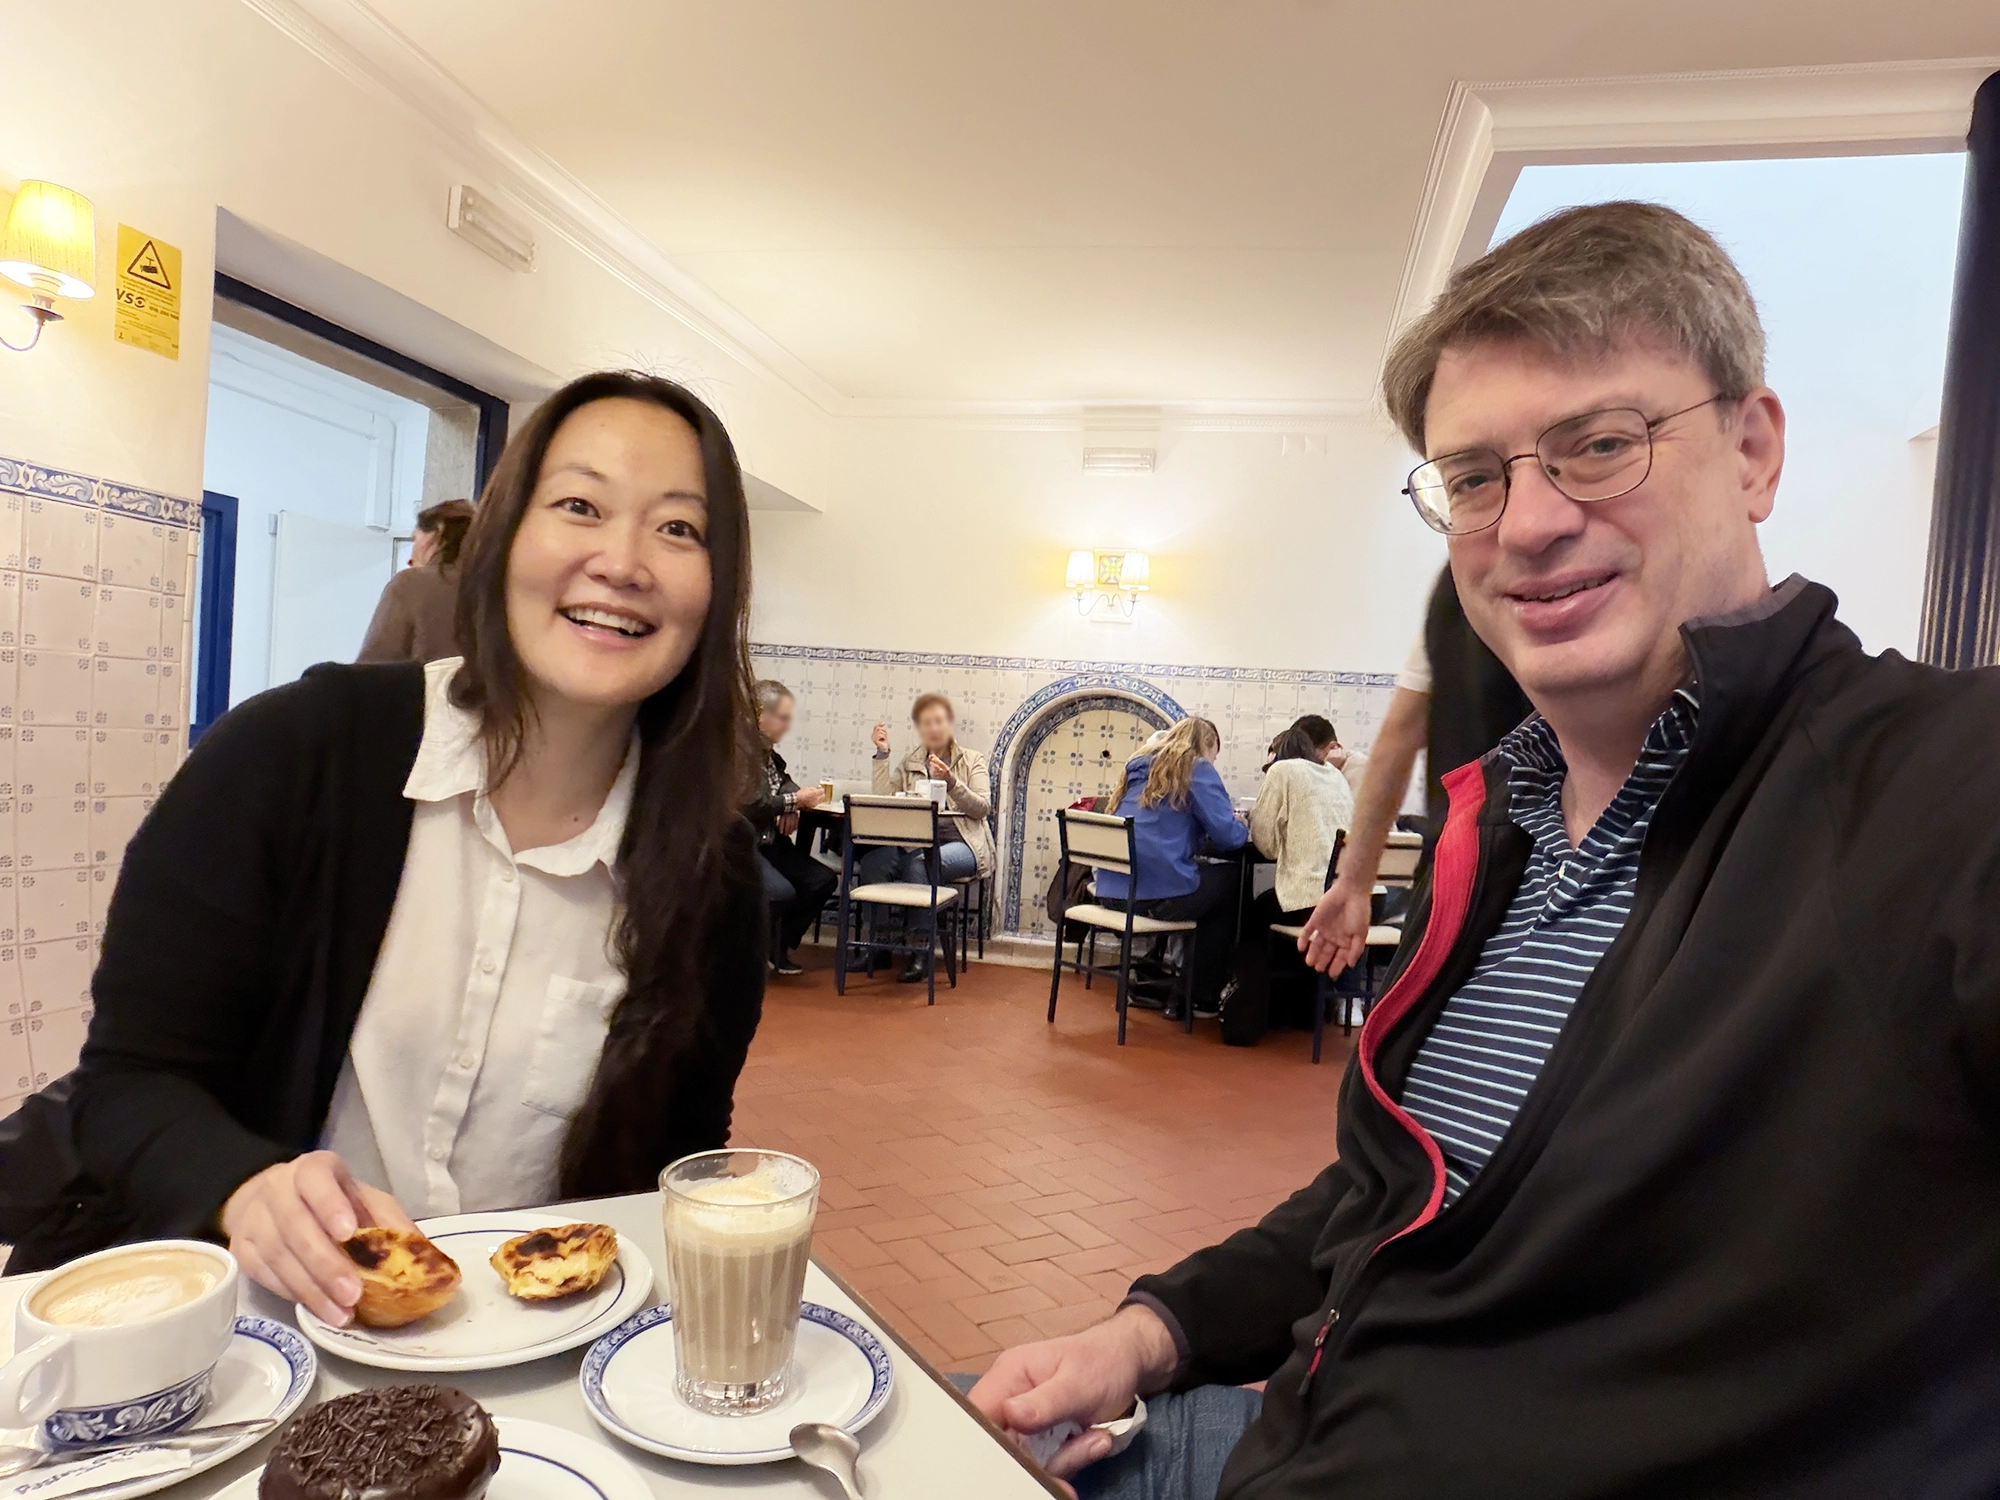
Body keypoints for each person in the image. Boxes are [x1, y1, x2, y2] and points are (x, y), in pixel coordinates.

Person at [970, 201, 2000, 1498]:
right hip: (1279, 1439)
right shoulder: (1504, 819)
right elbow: (1393, 1191)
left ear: (1752, 451)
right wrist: (1146, 1333)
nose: (1525, 524)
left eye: (1601, 446)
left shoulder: (1941, 786)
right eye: (1473, 477)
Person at [0, 372, 768, 1334]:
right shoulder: (294, 753)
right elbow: (129, 1084)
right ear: (501, 539)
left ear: (717, 589)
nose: (622, 561)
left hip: (520, 1374)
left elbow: (674, 1165)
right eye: (579, 505)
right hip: (238, 1341)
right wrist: (244, 1189)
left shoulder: (715, 880)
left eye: (679, 529)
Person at [1299, 566, 1529, 976]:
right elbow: (1396, 741)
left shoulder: (1458, 586)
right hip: (1532, 872)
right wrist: (1353, 882)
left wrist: (1355, 881)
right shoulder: (1455, 591)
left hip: (1464, 869)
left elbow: (1397, 740)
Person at [1090, 716, 1248, 1021]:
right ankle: (1198, 997)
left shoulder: (1137, 766)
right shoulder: (1197, 767)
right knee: (1230, 882)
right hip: (1152, 898)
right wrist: (1241, 825)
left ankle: (1179, 991)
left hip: (1111, 893)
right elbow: (1227, 837)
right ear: (1208, 745)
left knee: (1197, 884)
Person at [1219, 725, 1353, 1045]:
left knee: (1252, 916)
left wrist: (1285, 845)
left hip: (1314, 901)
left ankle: (1248, 1016)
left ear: (1276, 755)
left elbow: (1264, 842)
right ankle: (1303, 1012)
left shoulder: (1281, 769)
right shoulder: (1334, 775)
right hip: (1355, 900)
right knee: (1275, 908)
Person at [867, 694, 995, 982]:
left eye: (939, 722)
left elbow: (982, 807)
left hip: (964, 844)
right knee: (874, 863)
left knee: (918, 867)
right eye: (926, 724)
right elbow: (883, 800)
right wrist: (882, 756)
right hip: (916, 841)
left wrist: (951, 782)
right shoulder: (912, 761)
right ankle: (878, 947)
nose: (933, 729)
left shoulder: (972, 760)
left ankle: (920, 950)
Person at [749, 679, 835, 977]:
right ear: (761, 715)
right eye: (783, 718)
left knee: (822, 880)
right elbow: (749, 803)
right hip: (744, 844)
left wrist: (791, 802)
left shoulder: (769, 755)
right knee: (780, 893)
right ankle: (748, 956)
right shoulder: (738, 752)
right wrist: (793, 801)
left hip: (770, 841)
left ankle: (778, 947)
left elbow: (784, 780)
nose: (787, 726)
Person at [357, 498, 477, 663]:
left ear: (438, 531)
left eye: (414, 539)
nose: (410, 559)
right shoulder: (503, 591)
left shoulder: (410, 584)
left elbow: (372, 670)